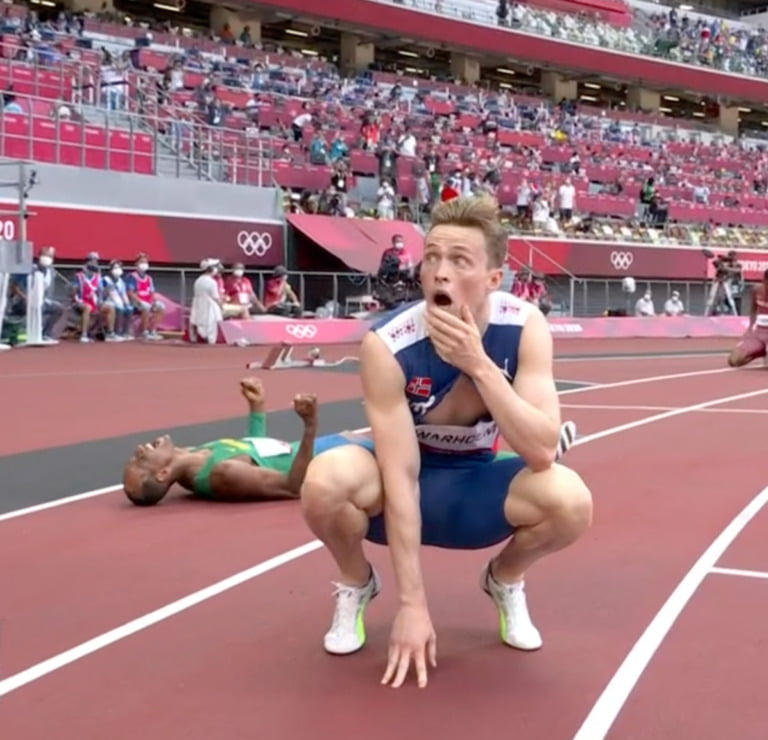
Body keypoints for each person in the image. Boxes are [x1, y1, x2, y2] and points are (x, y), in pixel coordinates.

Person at [300, 194, 593, 688]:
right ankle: (356, 582)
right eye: (432, 256)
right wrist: (412, 605)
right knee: (326, 479)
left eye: (459, 260)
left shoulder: (524, 328)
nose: (440, 272)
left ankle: (504, 578)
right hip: (402, 485)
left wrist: (478, 363)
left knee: (569, 499)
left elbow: (541, 450)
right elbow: (400, 473)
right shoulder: (388, 344)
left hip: (474, 486)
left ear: (493, 280)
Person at [122, 377, 369, 506]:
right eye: (142, 459)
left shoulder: (194, 454)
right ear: (164, 473)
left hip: (321, 448)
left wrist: (257, 407)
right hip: (325, 461)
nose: (139, 448)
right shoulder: (223, 474)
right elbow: (292, 487)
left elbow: (256, 453)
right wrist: (310, 425)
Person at [728, 268, 768, 368]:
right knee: (734, 360)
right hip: (759, 333)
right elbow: (753, 310)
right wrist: (750, 329)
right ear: (764, 281)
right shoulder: (756, 290)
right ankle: (760, 352)